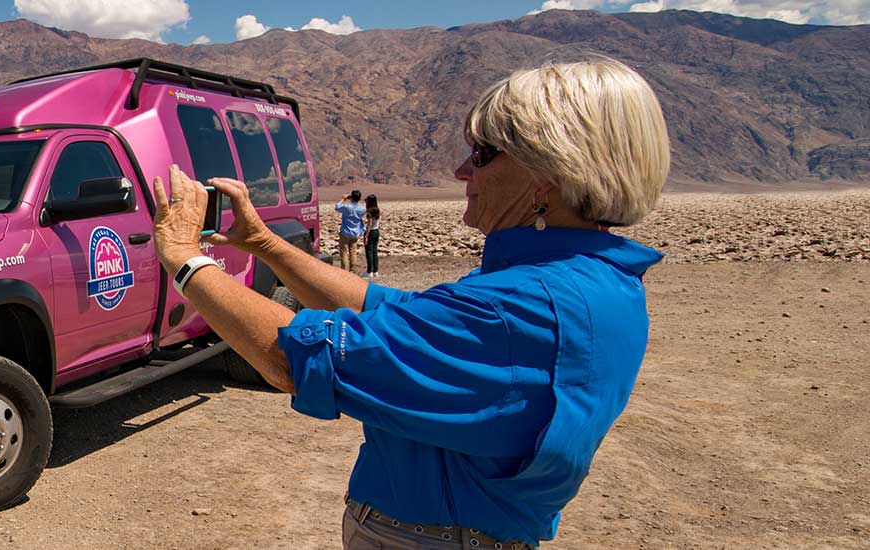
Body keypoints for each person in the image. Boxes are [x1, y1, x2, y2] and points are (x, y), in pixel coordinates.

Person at [148, 56, 668, 549]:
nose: (464, 170)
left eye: (483, 153)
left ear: (547, 172)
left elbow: (295, 358)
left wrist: (184, 259)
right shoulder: (585, 280)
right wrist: (264, 242)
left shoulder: (520, 305)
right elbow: (395, 312)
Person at [334, 190, 366, 273]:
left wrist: (343, 199)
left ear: (351, 197)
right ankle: (353, 270)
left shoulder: (346, 207)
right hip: (355, 233)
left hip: (345, 232)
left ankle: (344, 271)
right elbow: (366, 209)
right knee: (353, 252)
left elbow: (337, 207)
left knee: (344, 252)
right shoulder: (361, 209)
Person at [363, 194, 383, 278]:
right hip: (377, 231)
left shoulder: (369, 211)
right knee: (375, 252)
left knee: (369, 252)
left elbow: (369, 224)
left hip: (371, 232)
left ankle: (369, 271)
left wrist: (366, 236)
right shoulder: (377, 210)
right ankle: (375, 271)